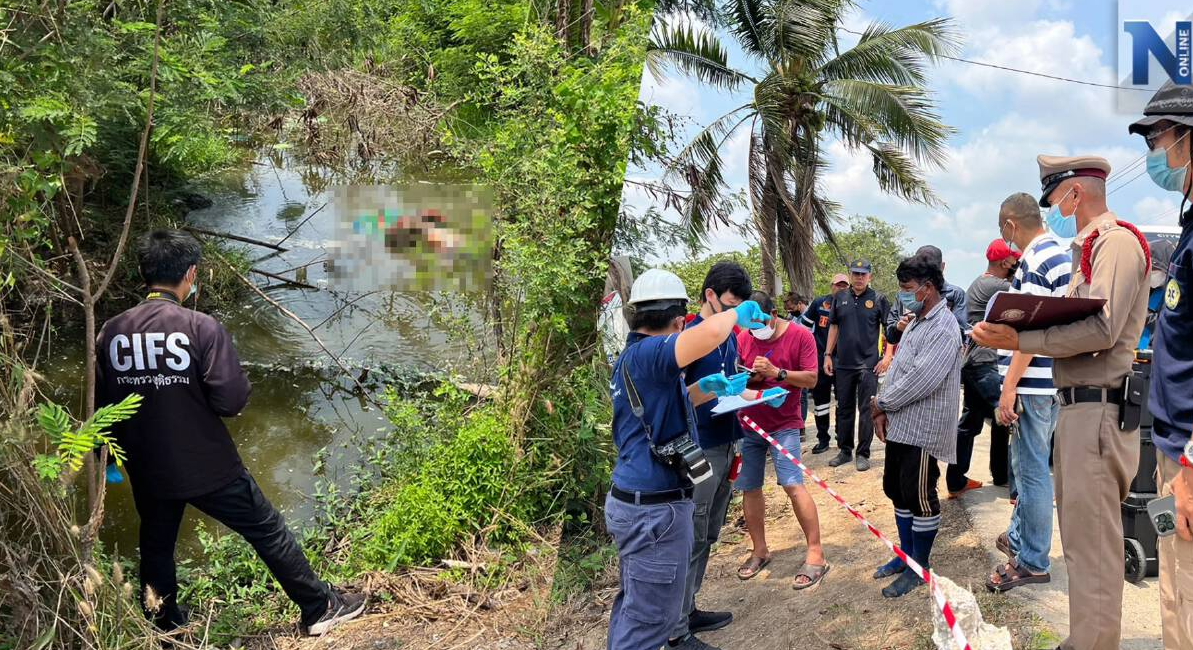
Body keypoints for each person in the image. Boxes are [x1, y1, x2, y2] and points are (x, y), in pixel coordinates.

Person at [95, 230, 365, 636]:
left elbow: (100, 410)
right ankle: (319, 607)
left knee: (155, 547)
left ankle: (166, 630)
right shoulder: (201, 328)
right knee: (266, 528)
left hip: (148, 468)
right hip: (208, 465)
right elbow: (232, 402)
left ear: (143, 274)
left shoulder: (110, 332)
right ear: (190, 274)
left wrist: (107, 459)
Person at [972, 155, 1149, 650]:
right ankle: (1085, 639)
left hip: (1098, 410)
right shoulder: (1087, 248)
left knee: (1092, 550)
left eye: (1056, 199)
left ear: (1075, 191)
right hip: (1079, 408)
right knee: (1080, 543)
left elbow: (1103, 328)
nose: (1055, 210)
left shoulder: (1115, 242)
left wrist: (1020, 341)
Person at [606, 268, 768, 650]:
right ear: (680, 319)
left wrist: (704, 389)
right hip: (652, 509)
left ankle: (679, 622)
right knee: (649, 622)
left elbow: (668, 405)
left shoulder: (635, 357)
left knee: (636, 608)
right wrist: (738, 314)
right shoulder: (651, 353)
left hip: (640, 502)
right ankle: (674, 634)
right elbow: (711, 333)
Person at [1129, 82, 1193, 647]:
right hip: (1176, 452)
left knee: (1189, 598)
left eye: (1161, 138)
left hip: (1191, 459)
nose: (1157, 152)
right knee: (1173, 590)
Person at [981, 192, 1072, 593]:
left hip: (1032, 383)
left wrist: (1009, 387)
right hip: (1046, 381)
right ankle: (1019, 539)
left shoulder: (1035, 260)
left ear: (1010, 226)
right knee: (1026, 468)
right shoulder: (1058, 252)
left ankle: (1033, 560)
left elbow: (1031, 335)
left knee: (1033, 474)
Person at [670, 262, 754, 644]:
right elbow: (674, 399)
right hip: (699, 446)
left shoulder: (729, 338)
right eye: (731, 305)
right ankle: (675, 628)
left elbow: (729, 383)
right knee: (691, 533)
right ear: (710, 296)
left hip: (727, 439)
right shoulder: (687, 335)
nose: (734, 314)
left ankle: (689, 608)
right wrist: (706, 389)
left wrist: (751, 391)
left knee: (708, 533)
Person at [869, 252, 962, 598]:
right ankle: (906, 557)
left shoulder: (944, 327)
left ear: (927, 288)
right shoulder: (917, 321)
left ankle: (919, 567)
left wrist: (882, 403)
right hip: (902, 423)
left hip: (924, 428)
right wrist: (882, 408)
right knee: (897, 490)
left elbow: (922, 380)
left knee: (920, 496)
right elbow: (897, 370)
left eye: (908, 288)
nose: (904, 294)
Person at [732, 292, 826, 587]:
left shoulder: (800, 336)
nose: (756, 333)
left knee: (792, 483)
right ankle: (759, 550)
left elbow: (811, 379)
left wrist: (777, 373)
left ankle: (815, 554)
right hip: (749, 423)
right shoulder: (744, 338)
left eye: (760, 324)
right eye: (750, 327)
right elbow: (742, 378)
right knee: (749, 486)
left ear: (773, 314)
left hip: (784, 423)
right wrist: (752, 379)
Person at [945, 238, 1019, 499]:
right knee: (1011, 417)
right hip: (987, 362)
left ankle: (960, 480)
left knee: (973, 422)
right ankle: (1017, 489)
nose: (1016, 266)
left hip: (975, 362)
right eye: (1014, 262)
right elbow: (1029, 294)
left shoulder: (979, 281)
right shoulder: (999, 284)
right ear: (1004, 263)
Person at [823, 260, 890, 471]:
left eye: (863, 274)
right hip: (843, 364)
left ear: (869, 276)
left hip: (869, 364)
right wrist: (827, 355)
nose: (859, 278)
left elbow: (889, 330)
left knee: (866, 409)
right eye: (856, 274)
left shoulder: (879, 299)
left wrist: (886, 357)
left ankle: (863, 453)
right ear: (850, 275)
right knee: (843, 408)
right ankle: (844, 451)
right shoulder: (840, 298)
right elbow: (833, 326)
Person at [878, 245, 968, 374]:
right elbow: (890, 335)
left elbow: (959, 334)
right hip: (906, 364)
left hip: (936, 366)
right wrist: (899, 327)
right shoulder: (905, 294)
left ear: (942, 267)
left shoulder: (954, 294)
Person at [803, 275, 849, 454]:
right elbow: (805, 329)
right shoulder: (820, 304)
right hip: (821, 360)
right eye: (838, 285)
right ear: (832, 286)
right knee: (820, 402)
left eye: (845, 286)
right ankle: (823, 439)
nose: (841, 288)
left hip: (845, 362)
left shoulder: (853, 305)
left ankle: (841, 436)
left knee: (842, 401)